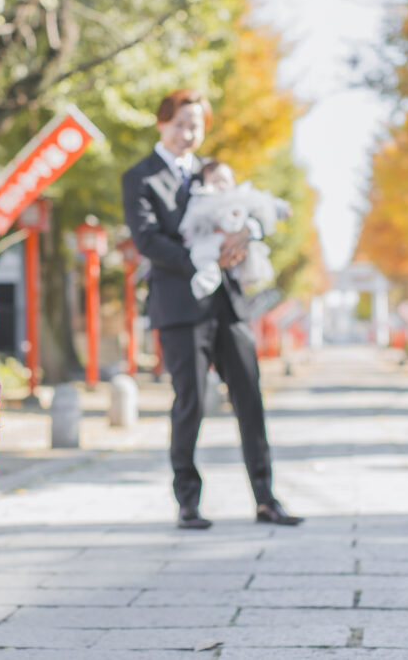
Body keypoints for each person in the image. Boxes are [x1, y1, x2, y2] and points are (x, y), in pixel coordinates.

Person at [122, 88, 303, 529]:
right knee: (191, 401)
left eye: (196, 126)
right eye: (180, 124)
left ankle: (265, 498)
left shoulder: (213, 171)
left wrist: (247, 232)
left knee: (249, 395)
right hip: (179, 304)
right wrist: (203, 259)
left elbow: (247, 207)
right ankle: (188, 501)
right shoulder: (141, 178)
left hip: (227, 302)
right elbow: (148, 240)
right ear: (162, 123)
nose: (188, 133)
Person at [179, 159, 290, 300]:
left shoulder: (242, 196)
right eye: (214, 181)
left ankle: (250, 276)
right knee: (201, 254)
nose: (219, 185)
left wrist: (281, 209)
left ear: (233, 182)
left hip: (238, 235)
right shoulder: (201, 200)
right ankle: (207, 279)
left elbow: (265, 203)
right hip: (213, 239)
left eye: (224, 180)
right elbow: (191, 224)